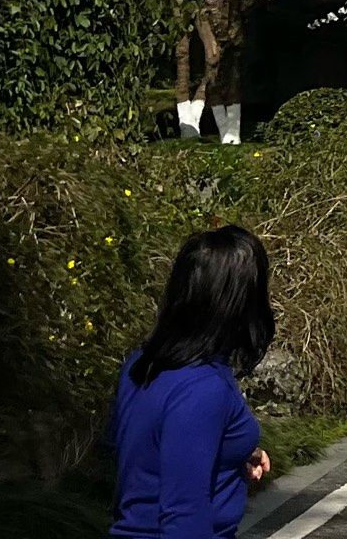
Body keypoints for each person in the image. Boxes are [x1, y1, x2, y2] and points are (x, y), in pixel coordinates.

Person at [109, 225, 275, 539]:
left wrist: (232, 452)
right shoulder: (204, 389)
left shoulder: (142, 363)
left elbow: (144, 458)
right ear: (242, 302)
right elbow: (183, 514)